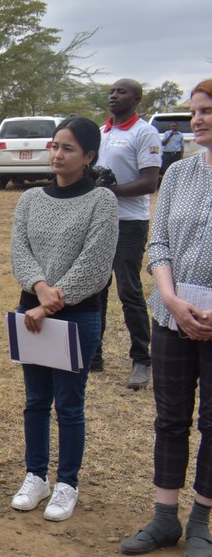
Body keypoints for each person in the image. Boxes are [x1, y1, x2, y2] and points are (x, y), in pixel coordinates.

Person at [9, 118, 119, 522]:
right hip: (31, 313)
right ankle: (35, 476)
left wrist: (52, 301)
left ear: (89, 156)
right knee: (35, 402)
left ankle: (66, 484)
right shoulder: (30, 200)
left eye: (68, 148)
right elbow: (19, 250)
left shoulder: (102, 201)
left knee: (69, 405)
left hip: (77, 316)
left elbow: (95, 262)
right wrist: (39, 291)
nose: (57, 154)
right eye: (54, 146)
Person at [121, 79, 212, 557]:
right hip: (171, 316)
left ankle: (201, 519)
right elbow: (158, 244)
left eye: (207, 111)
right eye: (195, 111)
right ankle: (165, 516)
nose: (197, 120)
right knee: (171, 419)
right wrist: (172, 300)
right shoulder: (179, 175)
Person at [92, 79, 162, 388]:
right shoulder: (101, 132)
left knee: (129, 291)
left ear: (136, 98)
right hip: (100, 221)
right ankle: (94, 355)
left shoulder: (144, 133)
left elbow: (149, 183)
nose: (114, 95)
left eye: (122, 92)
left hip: (130, 223)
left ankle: (141, 360)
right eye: (112, 91)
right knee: (95, 288)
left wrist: (111, 189)